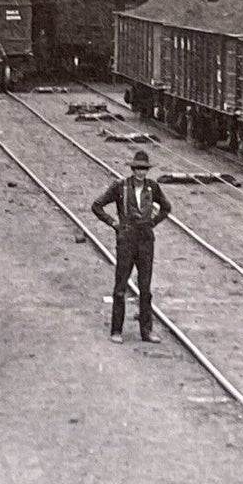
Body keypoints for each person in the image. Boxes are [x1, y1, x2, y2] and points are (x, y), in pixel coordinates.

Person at [91, 148, 171, 345]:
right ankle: (116, 330)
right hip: (126, 239)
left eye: (144, 169)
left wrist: (153, 222)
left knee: (145, 287)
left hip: (145, 239)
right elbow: (97, 205)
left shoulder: (152, 187)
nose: (140, 173)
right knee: (120, 286)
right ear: (132, 169)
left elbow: (167, 207)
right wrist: (114, 224)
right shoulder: (120, 187)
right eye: (137, 169)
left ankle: (147, 331)